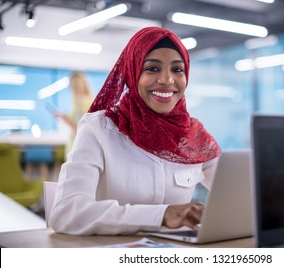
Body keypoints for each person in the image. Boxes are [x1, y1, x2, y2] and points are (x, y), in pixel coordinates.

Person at [49, 26, 221, 235]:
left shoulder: (193, 136)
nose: (167, 80)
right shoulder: (99, 128)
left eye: (177, 69)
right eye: (152, 68)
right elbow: (66, 213)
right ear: (132, 71)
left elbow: (239, 194)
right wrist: (161, 215)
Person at [54, 71, 94, 152]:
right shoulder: (86, 101)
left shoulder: (83, 102)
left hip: (79, 146)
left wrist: (66, 120)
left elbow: (80, 129)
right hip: (77, 145)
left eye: (72, 87)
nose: (72, 90)